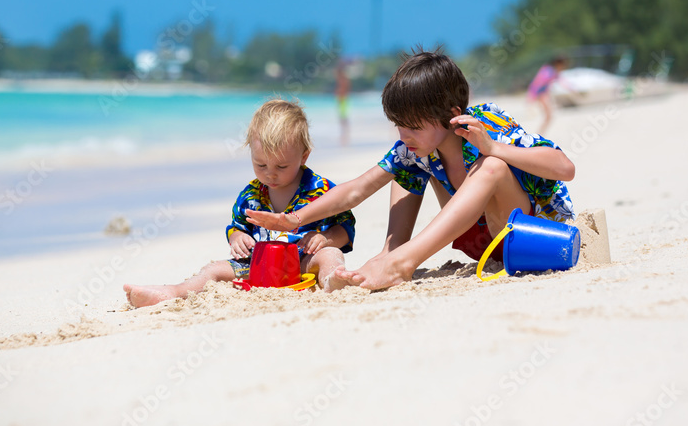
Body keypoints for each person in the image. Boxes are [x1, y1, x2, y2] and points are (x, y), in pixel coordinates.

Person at [246, 49, 575, 291]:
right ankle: (393, 251)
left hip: (530, 235)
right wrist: (295, 219)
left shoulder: (486, 123)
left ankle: (402, 262)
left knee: (492, 166)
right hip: (482, 242)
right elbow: (358, 189)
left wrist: (494, 148)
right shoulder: (413, 146)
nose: (404, 135)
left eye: (413, 126)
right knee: (405, 163)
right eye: (398, 125)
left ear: (452, 113)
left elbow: (565, 167)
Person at [123, 99, 356, 307]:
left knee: (330, 254)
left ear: (304, 156)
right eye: (261, 165)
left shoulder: (321, 190)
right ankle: (173, 292)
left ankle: (331, 281)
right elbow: (236, 226)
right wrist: (237, 238)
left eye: (281, 167)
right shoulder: (251, 195)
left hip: (303, 263)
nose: (270, 174)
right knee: (213, 268)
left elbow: (346, 226)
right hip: (258, 266)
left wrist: (326, 239)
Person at [526, 56, 569, 134]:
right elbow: (538, 83)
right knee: (548, 116)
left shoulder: (552, 71)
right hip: (540, 94)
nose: (563, 67)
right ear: (559, 63)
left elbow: (562, 81)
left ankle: (540, 134)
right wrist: (532, 97)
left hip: (542, 94)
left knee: (548, 116)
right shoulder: (549, 71)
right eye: (563, 65)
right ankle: (539, 134)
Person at [335, 59, 351, 146]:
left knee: (343, 119)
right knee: (343, 119)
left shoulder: (343, 79)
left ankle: (345, 137)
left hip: (342, 100)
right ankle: (344, 136)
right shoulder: (343, 79)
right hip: (342, 100)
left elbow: (345, 90)